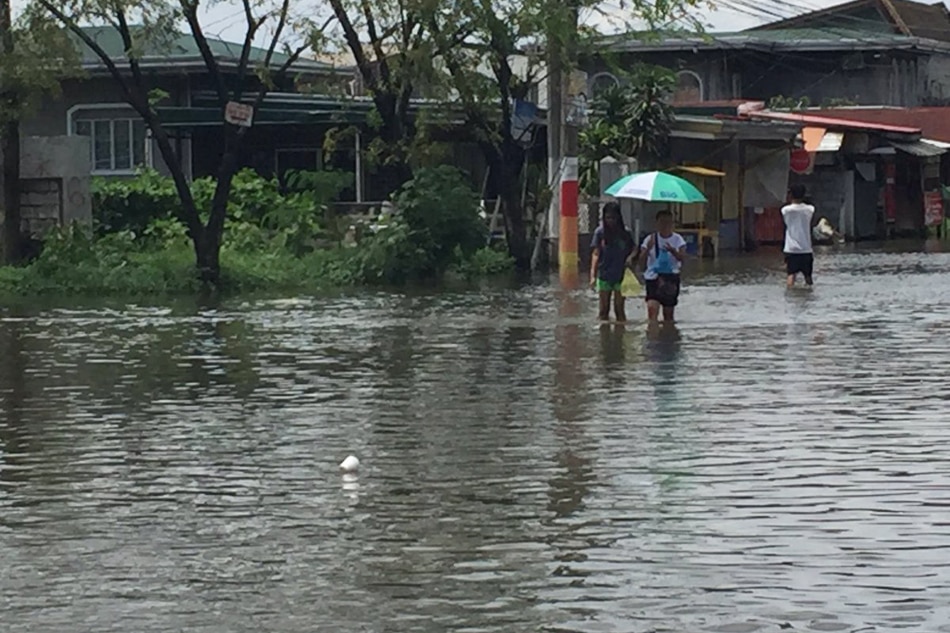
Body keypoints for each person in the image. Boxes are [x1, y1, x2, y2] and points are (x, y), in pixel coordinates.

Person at [589, 202, 636, 322]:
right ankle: (604, 337)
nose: (611, 221)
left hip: (621, 275)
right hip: (604, 274)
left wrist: (630, 257)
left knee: (619, 309)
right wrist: (593, 276)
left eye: (613, 218)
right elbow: (596, 253)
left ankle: (619, 336)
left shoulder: (626, 233)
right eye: (608, 218)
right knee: (603, 310)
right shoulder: (600, 233)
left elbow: (635, 249)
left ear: (618, 217)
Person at [639, 209, 687, 322]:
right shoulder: (650, 239)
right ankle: (652, 336)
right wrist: (648, 249)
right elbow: (641, 262)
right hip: (653, 277)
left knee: (668, 314)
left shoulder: (678, 239)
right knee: (652, 309)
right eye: (662, 222)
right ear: (657, 223)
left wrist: (673, 251)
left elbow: (683, 258)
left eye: (668, 222)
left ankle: (668, 336)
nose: (665, 225)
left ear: (672, 224)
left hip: (671, 278)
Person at [782, 184, 816, 287]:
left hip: (791, 249)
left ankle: (789, 295)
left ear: (791, 194)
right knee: (808, 277)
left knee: (791, 274)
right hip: (806, 248)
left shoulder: (785, 210)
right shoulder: (810, 209)